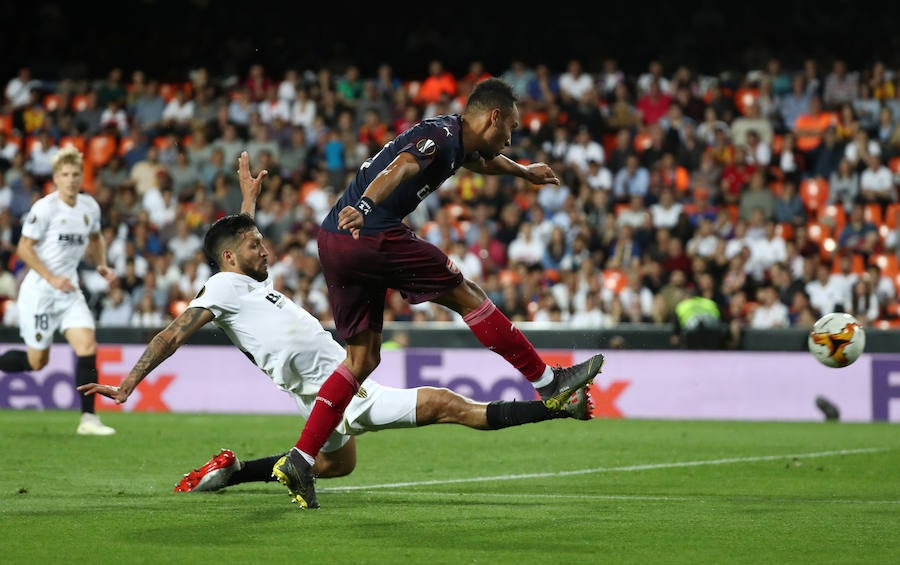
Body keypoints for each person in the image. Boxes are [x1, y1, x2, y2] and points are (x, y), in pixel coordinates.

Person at [77, 152, 592, 497]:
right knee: (449, 405)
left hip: (323, 396)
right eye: (256, 245)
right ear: (231, 258)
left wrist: (248, 206)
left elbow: (234, 247)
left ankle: (235, 471)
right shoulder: (223, 287)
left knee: (338, 466)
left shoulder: (242, 283)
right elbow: (173, 333)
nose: (268, 248)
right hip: (342, 387)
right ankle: (554, 407)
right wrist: (127, 385)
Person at [272, 77, 605, 509]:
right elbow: (403, 167)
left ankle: (300, 457)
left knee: (362, 359)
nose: (512, 136)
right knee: (467, 293)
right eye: (512, 128)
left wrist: (523, 172)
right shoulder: (441, 137)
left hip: (335, 239)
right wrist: (368, 206)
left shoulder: (455, 140)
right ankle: (548, 382)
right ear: (494, 117)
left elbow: (480, 162)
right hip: (370, 229)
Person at [0, 146, 118, 435]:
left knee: (88, 346)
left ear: (81, 176)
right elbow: (24, 250)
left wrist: (101, 263)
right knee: (37, 362)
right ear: (55, 177)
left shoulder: (89, 206)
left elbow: (96, 237)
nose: (71, 179)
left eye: (75, 174)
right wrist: (51, 278)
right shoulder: (45, 208)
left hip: (69, 291)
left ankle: (88, 420)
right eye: (65, 174)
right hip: (40, 292)